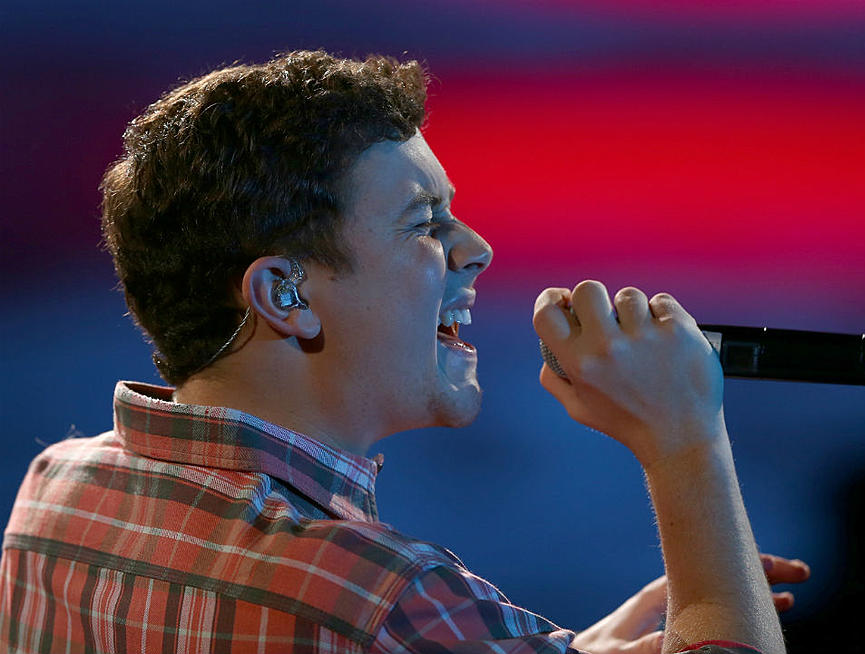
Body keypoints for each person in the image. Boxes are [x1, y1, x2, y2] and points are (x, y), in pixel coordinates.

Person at [0, 51, 808, 653]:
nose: (478, 249)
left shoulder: (57, 489)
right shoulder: (381, 599)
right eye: (426, 223)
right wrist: (685, 441)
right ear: (285, 293)